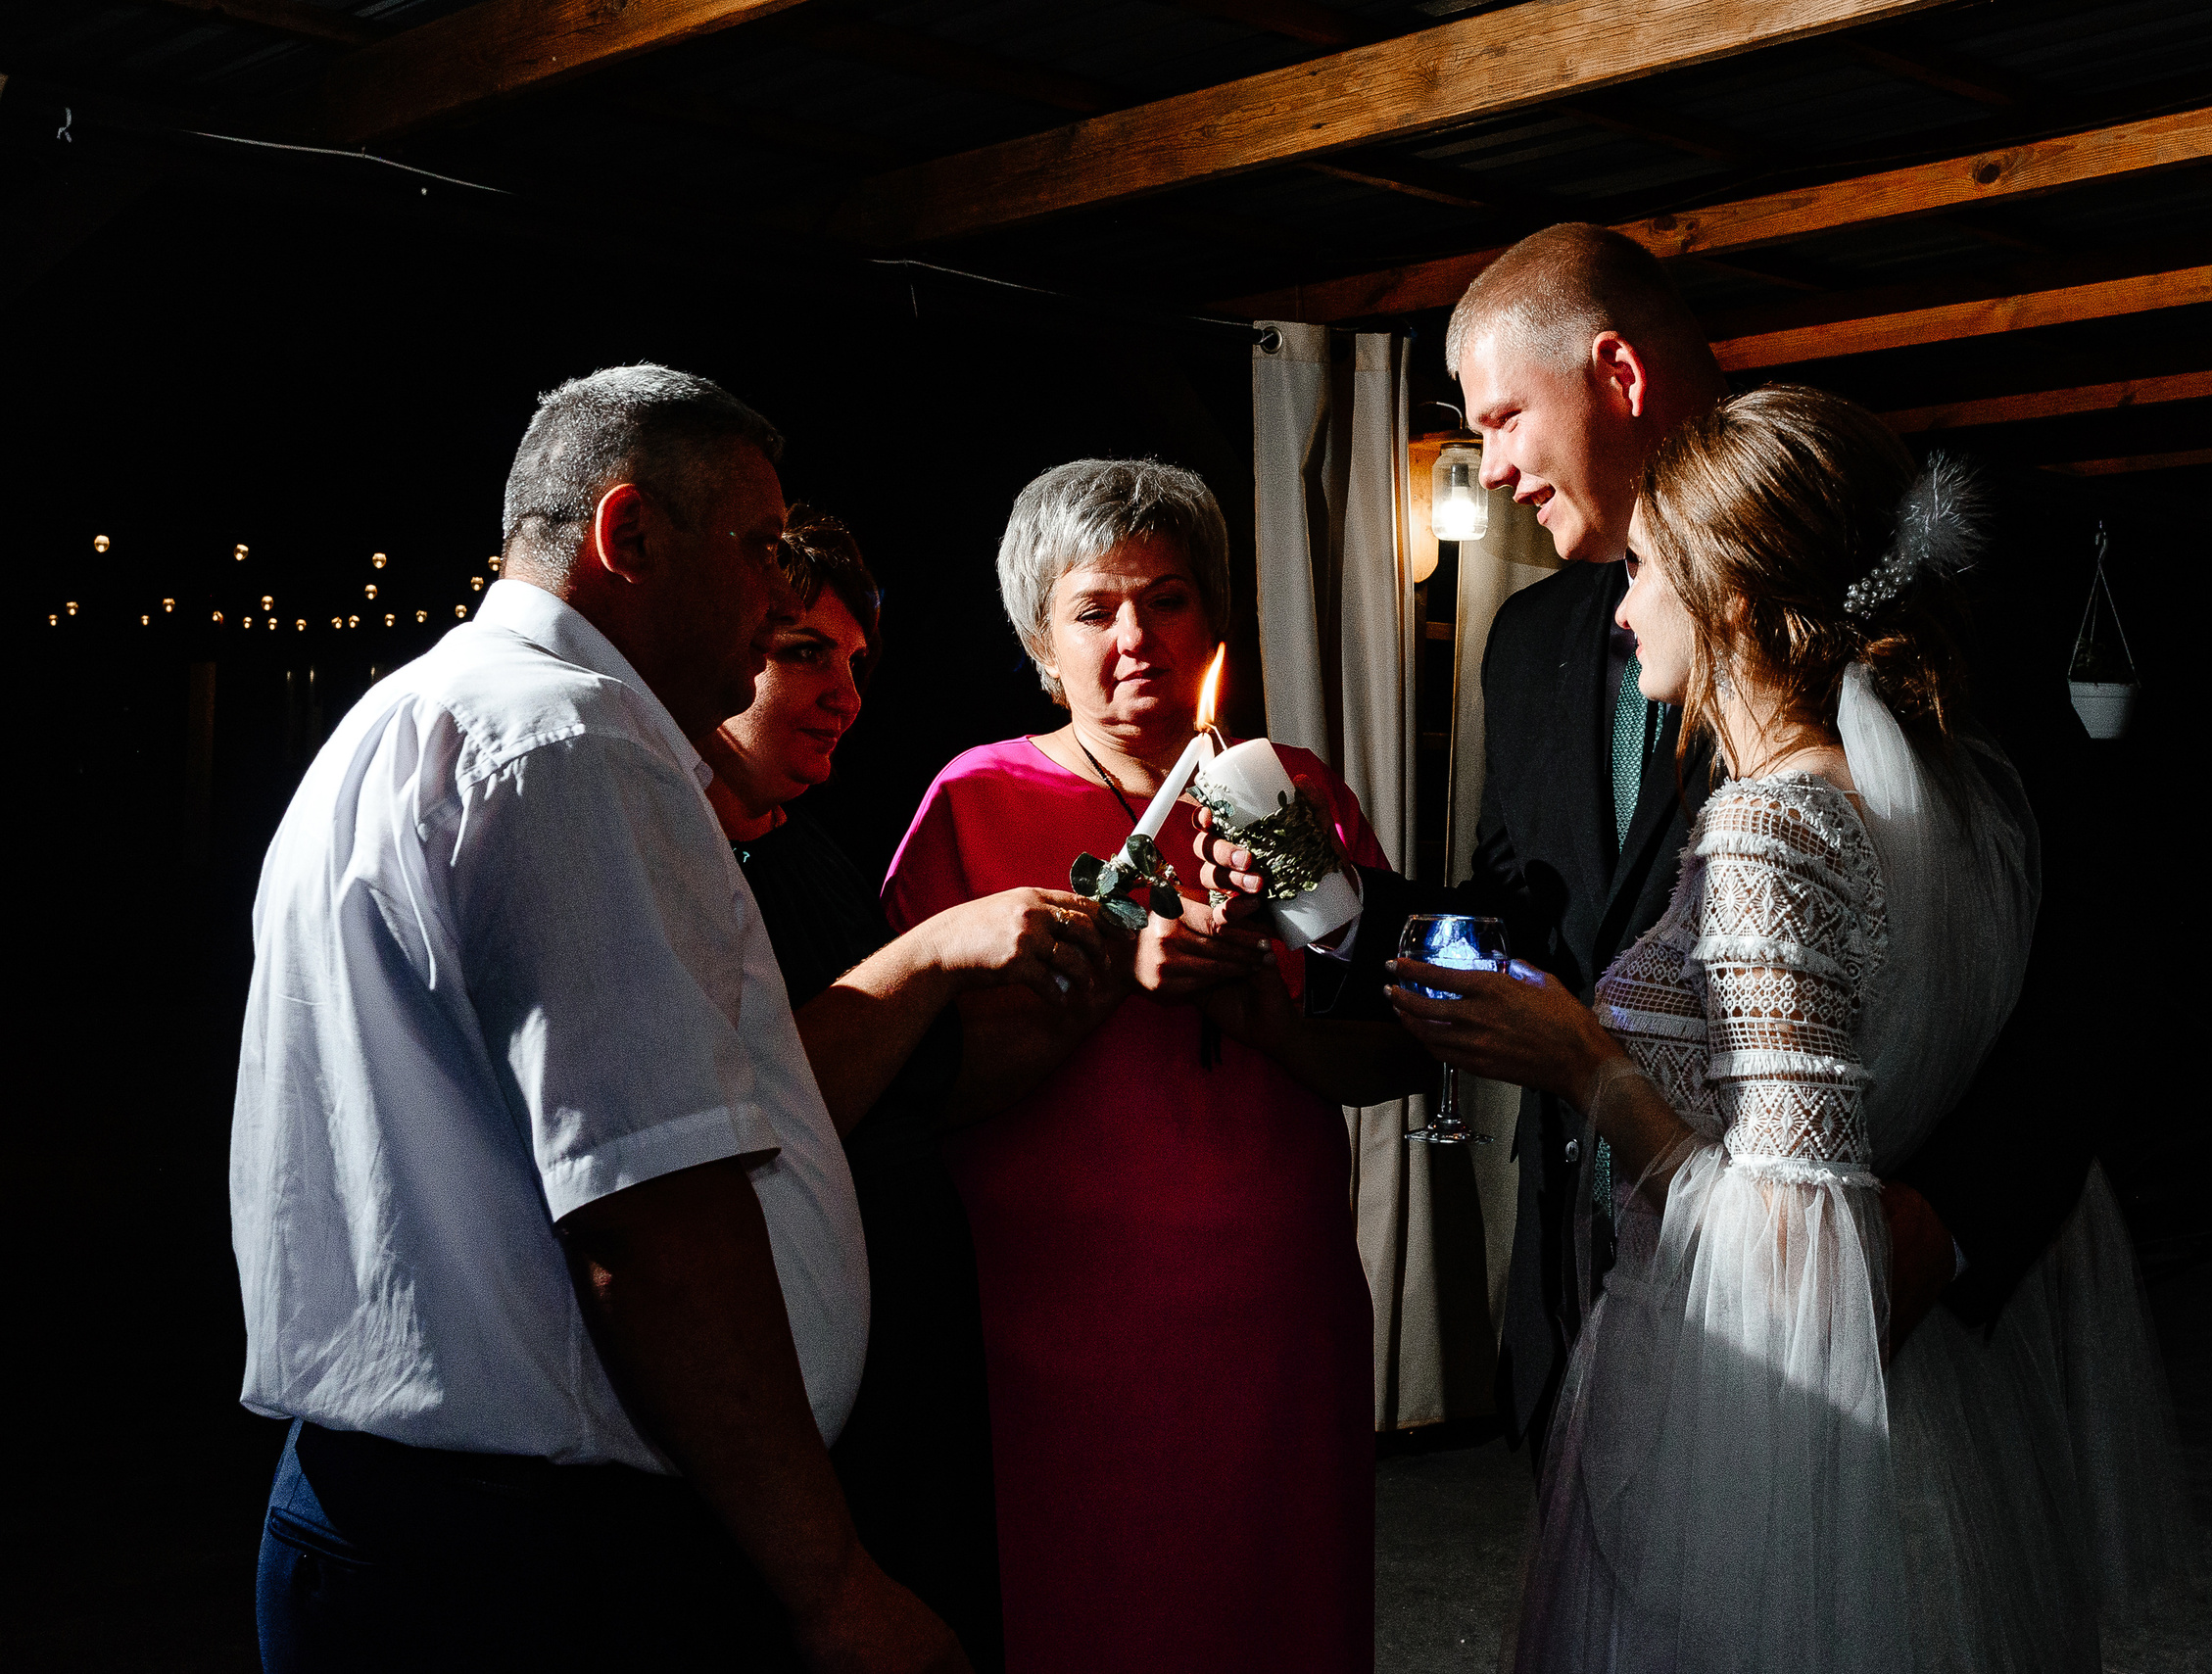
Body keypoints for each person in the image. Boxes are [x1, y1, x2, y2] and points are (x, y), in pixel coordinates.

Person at [1196, 222, 2096, 1453]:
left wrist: (1944, 1224)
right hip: (1589, 1275)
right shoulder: (1526, 642)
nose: (1491, 465)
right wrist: (1335, 899)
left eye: (1504, 416)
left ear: (1615, 374)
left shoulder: (1883, 567)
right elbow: (1526, 923)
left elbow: (2079, 936)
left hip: (1858, 1288)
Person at [1389, 384, 2181, 1671]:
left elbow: (1800, 1245)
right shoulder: (1946, 798)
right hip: (1928, 1419)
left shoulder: (1773, 829)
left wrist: (1582, 1064)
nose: (1624, 605)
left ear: (1736, 599)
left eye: (1646, 570)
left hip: (1773, 1444)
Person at [232, 365, 998, 1673]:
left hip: (396, 1515)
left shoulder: (406, 714)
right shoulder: (573, 745)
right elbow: (652, 1223)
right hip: (529, 1561)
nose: (771, 602)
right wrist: (830, 1583)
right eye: (757, 551)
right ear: (627, 534)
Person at [881, 458, 1429, 1674]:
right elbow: (912, 1091)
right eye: (1094, 608)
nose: (1136, 638)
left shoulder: (1287, 799)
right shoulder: (976, 800)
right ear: (1040, 636)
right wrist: (1106, 970)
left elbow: (1396, 1051)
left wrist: (1264, 1010)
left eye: (1168, 598)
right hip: (1058, 1325)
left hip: (1275, 1309)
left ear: (1212, 617)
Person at [697, 507, 1126, 1674]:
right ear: (718, 645)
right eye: (801, 651)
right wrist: (941, 947)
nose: (844, 688)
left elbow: (927, 1090)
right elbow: (767, 1114)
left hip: (898, 1378)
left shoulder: (803, 848)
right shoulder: (686, 863)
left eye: (855, 659)